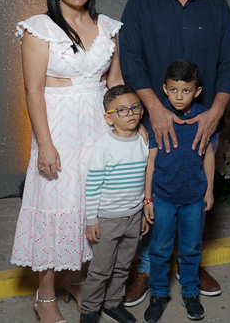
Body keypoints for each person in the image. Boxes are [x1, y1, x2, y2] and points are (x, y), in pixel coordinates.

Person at [120, 0, 230, 302]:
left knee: (195, 195)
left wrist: (215, 112)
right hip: (155, 123)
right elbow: (130, 60)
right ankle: (147, 268)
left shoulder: (218, 7)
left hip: (202, 125)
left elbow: (229, 65)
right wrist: (154, 109)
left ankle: (191, 263)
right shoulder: (141, 3)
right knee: (155, 195)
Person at [11, 0, 124, 323]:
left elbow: (115, 83)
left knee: (90, 205)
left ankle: (77, 280)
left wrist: (125, 129)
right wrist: (45, 144)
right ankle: (45, 296)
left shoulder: (107, 26)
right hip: (58, 127)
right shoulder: (39, 27)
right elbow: (32, 89)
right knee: (55, 207)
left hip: (98, 125)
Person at [142, 60, 215, 323]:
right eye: (173, 90)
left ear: (197, 91)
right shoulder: (157, 117)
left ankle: (190, 293)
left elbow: (208, 156)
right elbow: (151, 161)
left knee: (191, 247)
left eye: (186, 91)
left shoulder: (204, 117)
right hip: (163, 196)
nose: (179, 96)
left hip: (194, 197)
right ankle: (158, 294)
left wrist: (209, 190)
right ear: (165, 89)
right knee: (160, 247)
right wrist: (148, 198)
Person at [79, 85, 149, 323]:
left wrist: (142, 214)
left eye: (135, 108)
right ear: (108, 118)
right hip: (108, 218)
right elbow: (93, 186)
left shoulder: (143, 142)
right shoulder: (104, 146)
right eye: (121, 110)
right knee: (100, 269)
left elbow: (145, 180)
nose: (130, 113)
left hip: (134, 216)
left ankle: (112, 304)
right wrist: (91, 220)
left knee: (123, 265)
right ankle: (89, 311)